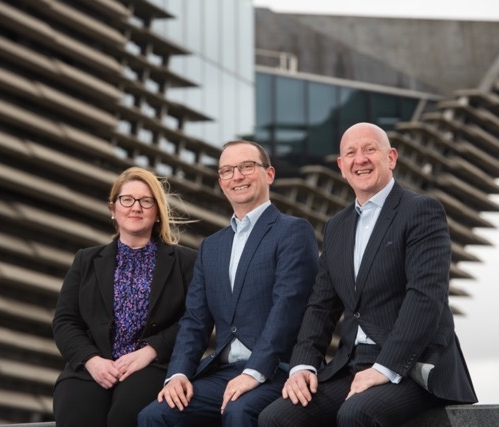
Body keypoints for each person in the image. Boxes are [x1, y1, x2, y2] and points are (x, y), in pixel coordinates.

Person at [259, 122, 478, 427]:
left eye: (369, 149)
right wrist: (303, 366)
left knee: (356, 414)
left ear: (391, 157)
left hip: (414, 366)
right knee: (276, 418)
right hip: (352, 364)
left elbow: (425, 298)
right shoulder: (337, 226)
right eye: (350, 153)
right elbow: (321, 305)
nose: (359, 159)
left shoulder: (421, 211)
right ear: (341, 166)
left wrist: (385, 367)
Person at [137, 140, 319, 427]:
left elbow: (288, 309)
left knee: (239, 411)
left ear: (269, 174)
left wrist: (254, 372)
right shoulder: (212, 246)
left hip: (276, 370)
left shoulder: (293, 231)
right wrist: (178, 374)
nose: (237, 176)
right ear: (221, 182)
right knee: (155, 416)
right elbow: (195, 320)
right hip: (223, 372)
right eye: (227, 170)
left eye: (247, 166)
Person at [52, 166, 197, 427]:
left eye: (145, 201)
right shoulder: (86, 260)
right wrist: (92, 360)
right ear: (113, 209)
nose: (135, 207)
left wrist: (152, 350)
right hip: (91, 365)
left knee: (126, 418)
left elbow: (195, 319)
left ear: (157, 213)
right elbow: (65, 321)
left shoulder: (185, 262)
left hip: (151, 366)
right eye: (127, 200)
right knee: (78, 417)